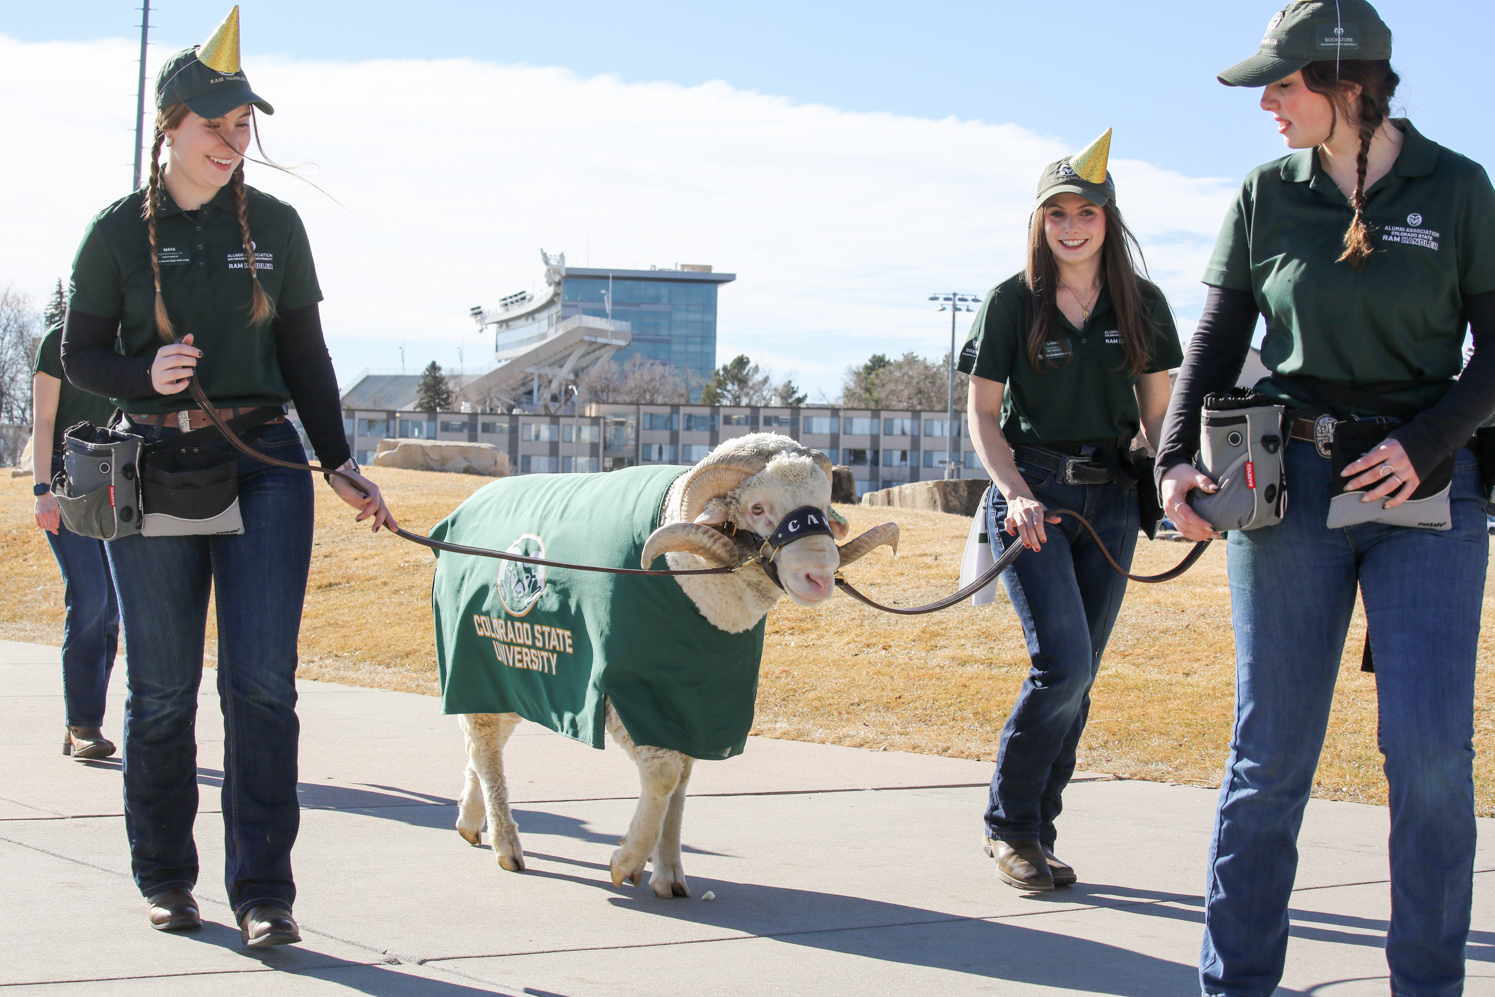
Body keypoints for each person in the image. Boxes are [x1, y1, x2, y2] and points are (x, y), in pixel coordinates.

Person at [1156, 2, 1495, 992]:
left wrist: (1426, 439)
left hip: (1426, 491)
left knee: (1429, 760)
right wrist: (1175, 458)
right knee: (1269, 759)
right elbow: (1214, 341)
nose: (1267, 100)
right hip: (1287, 490)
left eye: (1285, 81)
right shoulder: (1266, 195)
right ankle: (1236, 984)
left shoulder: (1460, 188)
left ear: (1350, 83)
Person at [60, 8, 394, 947]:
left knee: (261, 686)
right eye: (215, 127)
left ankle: (264, 895)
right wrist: (142, 375)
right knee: (161, 691)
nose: (231, 143)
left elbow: (305, 352)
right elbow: (80, 352)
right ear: (168, 126)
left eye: (243, 128)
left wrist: (338, 463)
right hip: (154, 469)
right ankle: (167, 879)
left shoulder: (279, 228)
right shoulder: (116, 233)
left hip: (266, 469)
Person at [960, 129, 1181, 891]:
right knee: (1060, 665)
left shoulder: (1141, 304)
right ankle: (1008, 828)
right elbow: (981, 416)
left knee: (1079, 677)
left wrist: (1179, 479)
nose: (1070, 226)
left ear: (1106, 220)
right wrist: (1015, 491)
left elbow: (1158, 419)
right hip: (1034, 500)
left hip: (1113, 503)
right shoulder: (1009, 301)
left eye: (1084, 211)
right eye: (1056, 212)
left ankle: (1038, 834)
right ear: (1039, 222)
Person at [32, 319, 122, 760]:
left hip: (120, 478)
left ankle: (85, 721)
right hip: (66, 477)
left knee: (111, 610)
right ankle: (82, 725)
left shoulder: (133, 334)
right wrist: (41, 489)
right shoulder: (58, 340)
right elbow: (44, 419)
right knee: (89, 597)